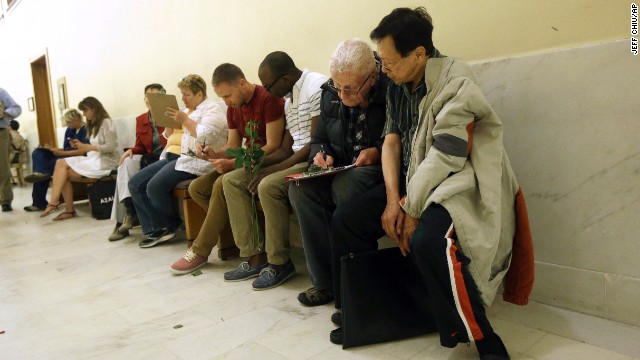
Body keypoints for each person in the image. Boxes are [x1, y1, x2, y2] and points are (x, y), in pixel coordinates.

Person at [328, 7, 535, 357]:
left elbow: (448, 155)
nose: (384, 70)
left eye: (389, 63)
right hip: (413, 180)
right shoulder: (395, 83)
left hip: (456, 181)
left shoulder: (456, 80)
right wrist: (395, 199)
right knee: (346, 220)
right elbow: (391, 141)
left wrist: (412, 205)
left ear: (419, 54)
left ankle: (483, 337)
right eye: (382, 62)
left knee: (430, 238)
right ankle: (369, 311)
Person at [288, 39, 388, 305]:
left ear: (373, 76)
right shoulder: (330, 92)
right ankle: (325, 282)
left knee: (346, 184)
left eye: (350, 89)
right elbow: (319, 138)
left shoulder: (392, 87)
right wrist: (321, 155)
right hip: (343, 168)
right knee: (301, 190)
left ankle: (354, 280)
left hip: (380, 170)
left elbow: (403, 137)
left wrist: (377, 151)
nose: (342, 96)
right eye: (338, 87)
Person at [221, 52, 326, 289]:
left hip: (312, 159)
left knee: (268, 186)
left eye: (268, 85)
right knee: (232, 180)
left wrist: (273, 171)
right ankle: (255, 255)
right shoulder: (289, 98)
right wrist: (253, 163)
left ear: (286, 78)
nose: (266, 91)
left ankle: (279, 262)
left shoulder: (315, 85)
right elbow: (286, 148)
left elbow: (314, 143)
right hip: (293, 157)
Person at [169, 63, 285, 275]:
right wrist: (214, 153)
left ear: (241, 83)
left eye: (227, 96)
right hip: (245, 160)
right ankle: (237, 232)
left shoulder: (268, 99)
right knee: (197, 188)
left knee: (224, 183)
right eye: (221, 97)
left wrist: (233, 164)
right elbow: (233, 146)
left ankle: (201, 250)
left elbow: (273, 145)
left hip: (267, 161)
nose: (226, 102)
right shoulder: (233, 108)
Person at [129, 74, 227, 248]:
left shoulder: (212, 109)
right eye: (181, 94)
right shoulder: (189, 110)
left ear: (199, 94)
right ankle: (154, 228)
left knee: (154, 186)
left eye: (186, 94)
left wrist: (184, 120)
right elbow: (169, 136)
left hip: (199, 162)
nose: (183, 98)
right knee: (136, 182)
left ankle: (171, 226)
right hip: (182, 158)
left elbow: (205, 136)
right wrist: (169, 123)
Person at [40, 97, 119, 221]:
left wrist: (88, 147)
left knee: (63, 171)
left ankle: (60, 206)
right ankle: (60, 205)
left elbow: (111, 147)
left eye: (85, 110)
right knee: (61, 165)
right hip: (93, 158)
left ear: (94, 108)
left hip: (106, 161)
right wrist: (81, 146)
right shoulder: (92, 124)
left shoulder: (106, 122)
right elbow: (90, 148)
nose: (84, 114)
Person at [108, 83, 168, 241]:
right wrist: (132, 151)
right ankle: (129, 211)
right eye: (149, 97)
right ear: (145, 99)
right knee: (125, 164)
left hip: (165, 158)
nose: (152, 100)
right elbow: (141, 145)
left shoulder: (170, 115)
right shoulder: (141, 119)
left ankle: (125, 218)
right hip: (149, 159)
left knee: (126, 177)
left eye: (157, 96)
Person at [23, 109, 88, 211]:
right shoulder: (70, 130)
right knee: (38, 153)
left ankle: (39, 202)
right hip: (65, 155)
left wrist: (62, 153)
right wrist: (53, 149)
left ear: (76, 120)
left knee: (44, 167)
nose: (67, 125)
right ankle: (40, 173)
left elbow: (82, 152)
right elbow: (66, 148)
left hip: (76, 159)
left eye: (68, 122)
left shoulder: (86, 130)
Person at [0, 87, 22, 212]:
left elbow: (16, 108)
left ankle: (5, 200)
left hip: (0, 132)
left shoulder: (0, 92)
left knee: (2, 167)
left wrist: (4, 112)